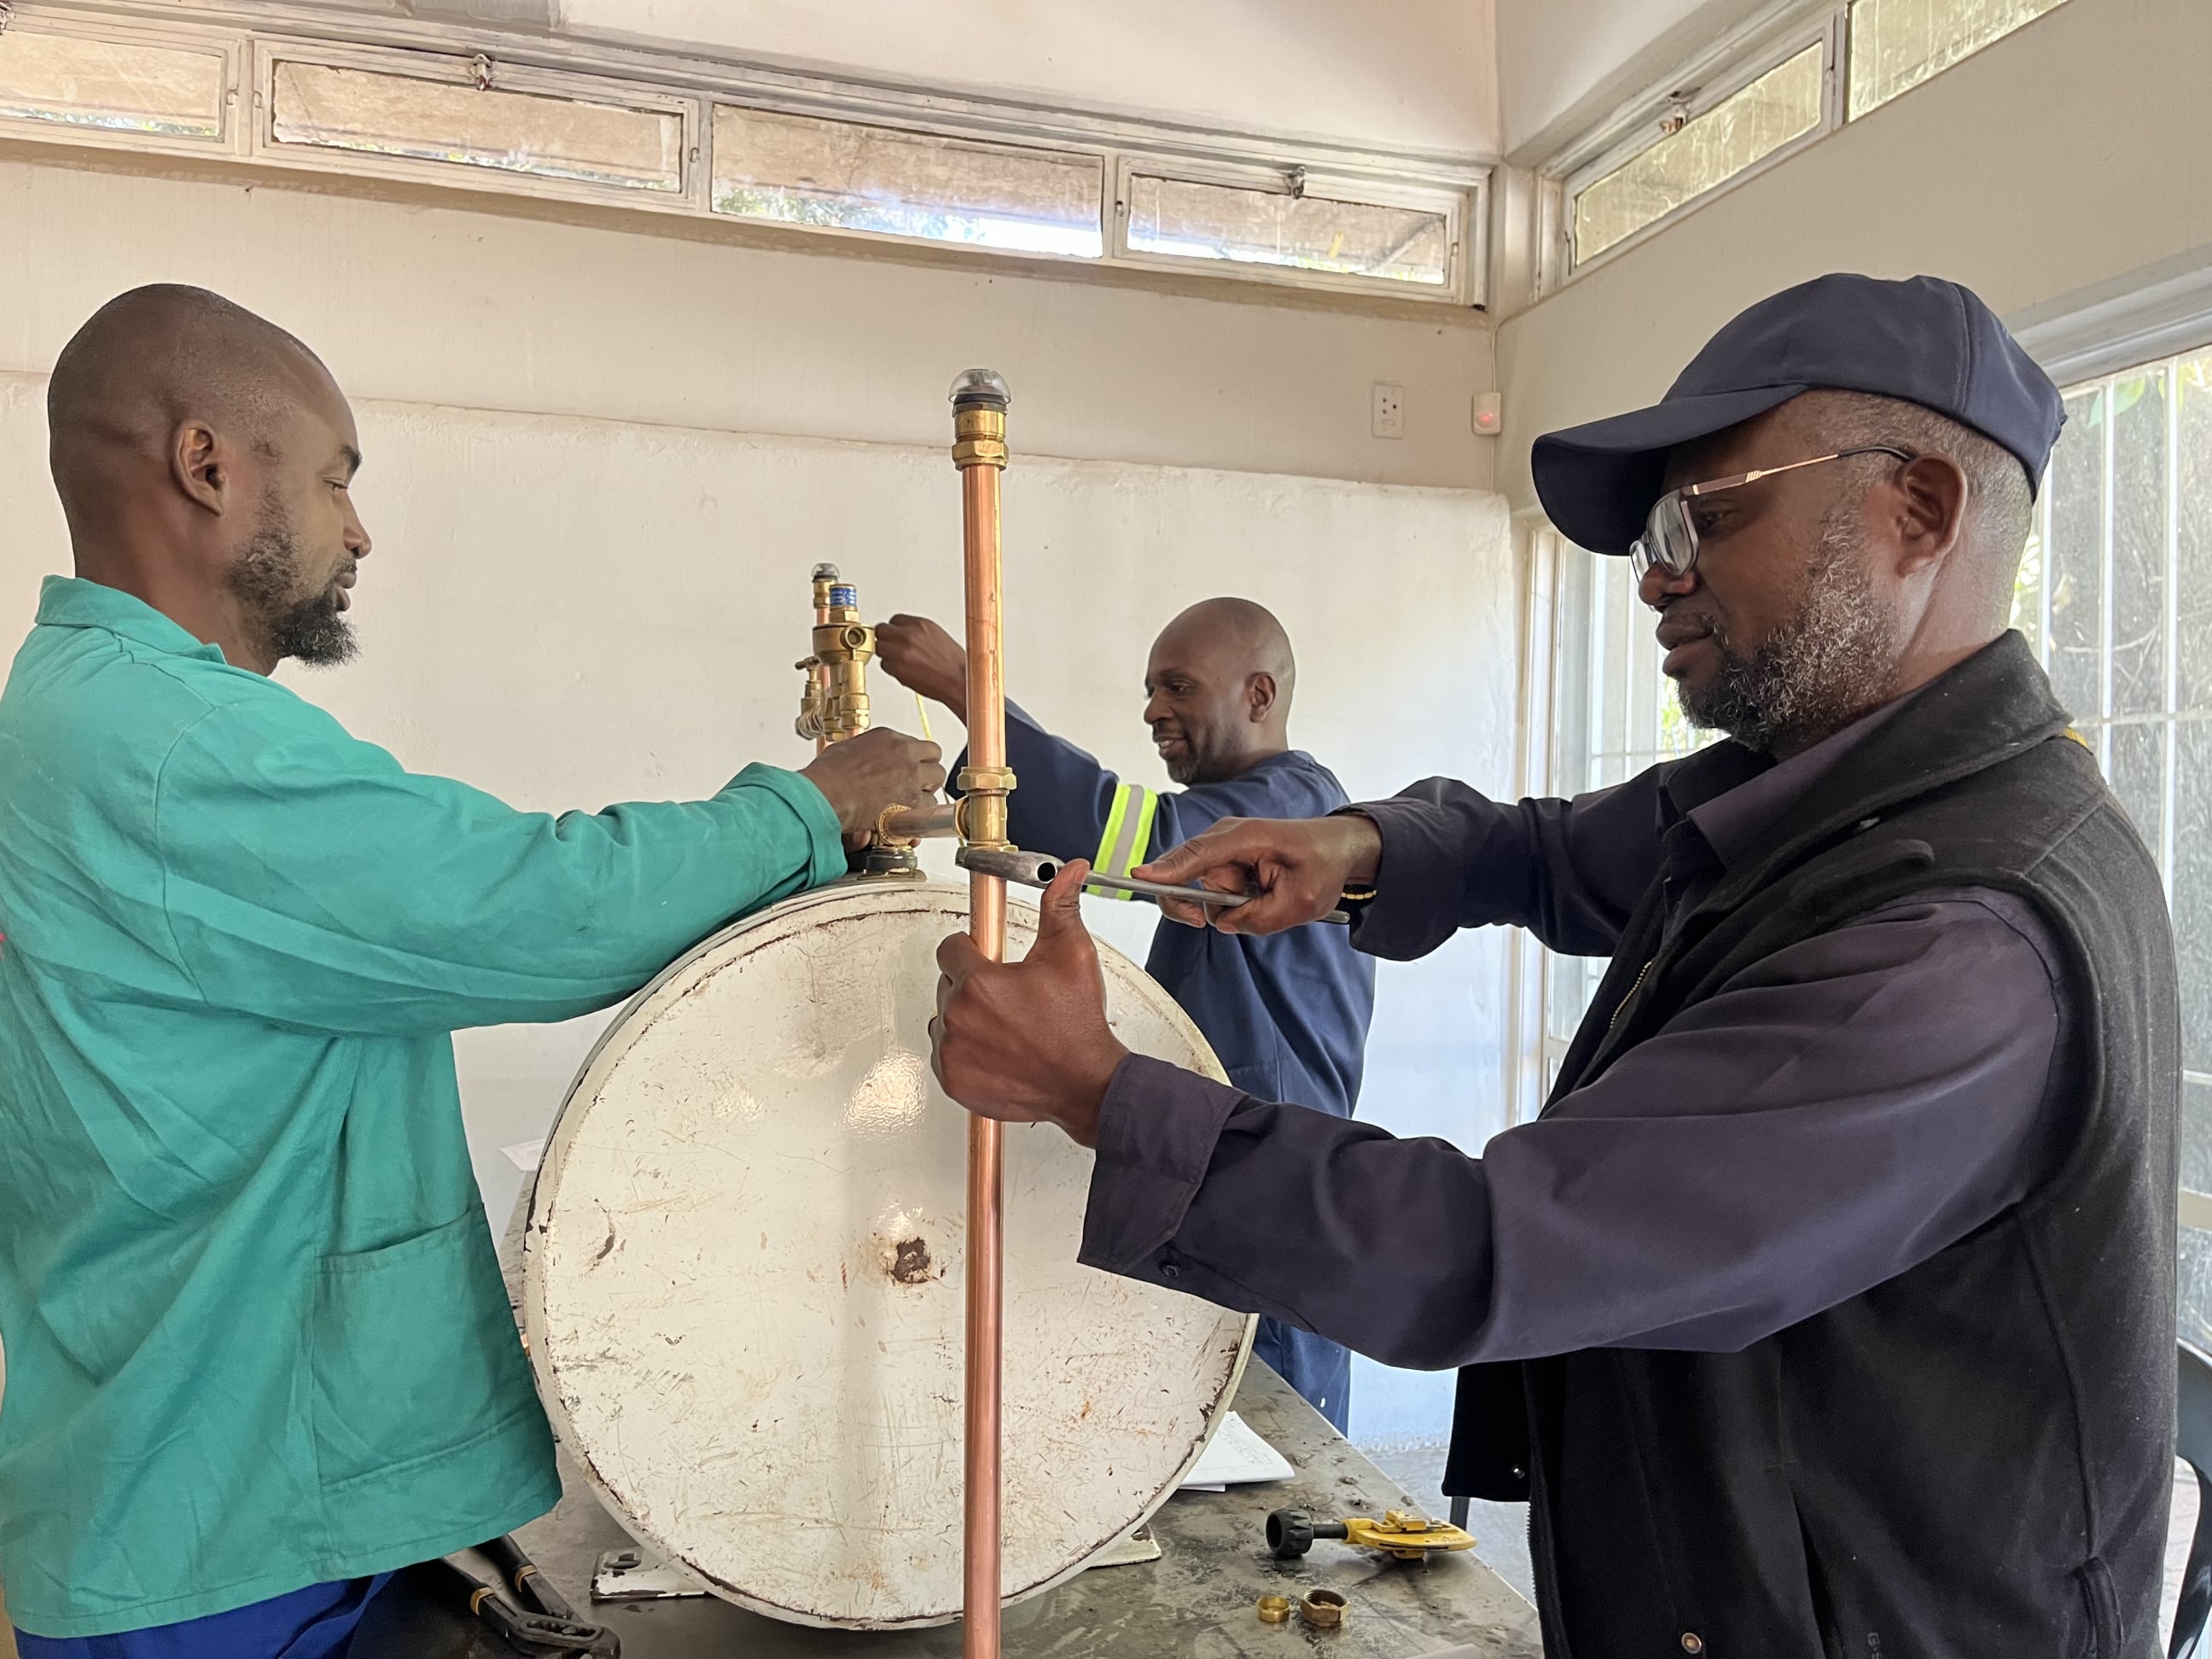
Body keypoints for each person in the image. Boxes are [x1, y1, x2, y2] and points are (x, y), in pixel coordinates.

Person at [927, 274, 2180, 1654]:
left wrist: (1099, 1089)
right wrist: (1357, 845)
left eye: (1704, 512)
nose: (1654, 572)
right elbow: (1542, 849)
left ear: (1920, 512)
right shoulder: (1821, 794)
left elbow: (1493, 1244)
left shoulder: (1957, 943)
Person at [0, 285, 943, 1655]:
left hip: (203, 1463)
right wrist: (810, 807)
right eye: (334, 480)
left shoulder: (79, 707)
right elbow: (534, 905)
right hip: (225, 1524)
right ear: (206, 466)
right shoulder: (170, 748)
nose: (358, 529)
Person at [876, 599, 1375, 1429]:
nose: (1152, 711)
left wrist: (970, 688)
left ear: (1258, 695)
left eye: (1177, 687)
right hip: (1233, 1170)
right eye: (1149, 690)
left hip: (1277, 1189)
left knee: (1276, 1442)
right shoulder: (1260, 806)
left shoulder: (1292, 808)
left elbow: (1126, 844)